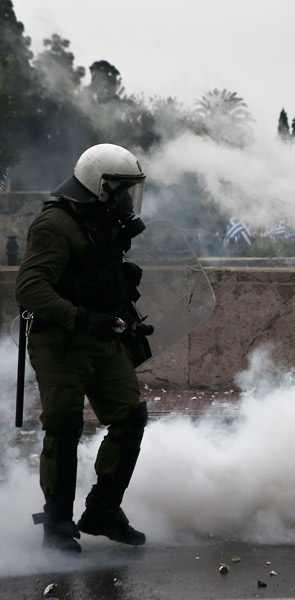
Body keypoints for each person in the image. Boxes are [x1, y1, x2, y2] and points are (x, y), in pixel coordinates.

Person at [15, 144, 151, 553]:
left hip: (102, 337)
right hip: (60, 342)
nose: (128, 198)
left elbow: (96, 278)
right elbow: (30, 288)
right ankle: (56, 524)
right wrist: (81, 317)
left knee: (130, 417)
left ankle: (103, 510)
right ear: (100, 185)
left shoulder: (104, 221)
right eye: (122, 189)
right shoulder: (55, 225)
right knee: (64, 429)